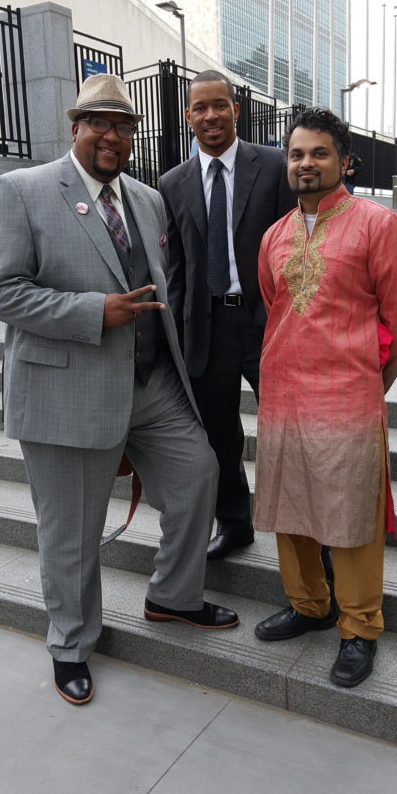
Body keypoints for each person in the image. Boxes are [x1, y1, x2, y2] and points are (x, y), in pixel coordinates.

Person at [0, 74, 239, 707]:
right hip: (68, 391)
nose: (112, 136)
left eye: (123, 126)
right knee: (72, 530)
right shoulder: (22, 191)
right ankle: (70, 643)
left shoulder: (147, 200)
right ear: (75, 128)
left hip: (149, 385)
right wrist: (94, 310)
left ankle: (170, 597)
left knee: (198, 474)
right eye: (99, 123)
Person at [253, 108, 397, 688]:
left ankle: (359, 627)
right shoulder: (274, 236)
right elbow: (273, 303)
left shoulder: (378, 225)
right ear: (287, 162)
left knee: (351, 518)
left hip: (348, 400)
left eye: (319, 153)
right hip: (282, 396)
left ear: (343, 161)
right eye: (297, 154)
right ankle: (309, 606)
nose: (307, 164)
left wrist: (371, 385)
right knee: (289, 508)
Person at [158, 70, 294, 561]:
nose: (211, 115)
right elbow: (176, 268)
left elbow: (296, 248)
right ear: (188, 116)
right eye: (200, 108)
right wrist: (169, 335)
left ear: (236, 109)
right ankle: (234, 524)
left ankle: (307, 536)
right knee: (219, 436)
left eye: (220, 105)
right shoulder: (172, 182)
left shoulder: (276, 166)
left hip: (266, 324)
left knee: (290, 431)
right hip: (206, 327)